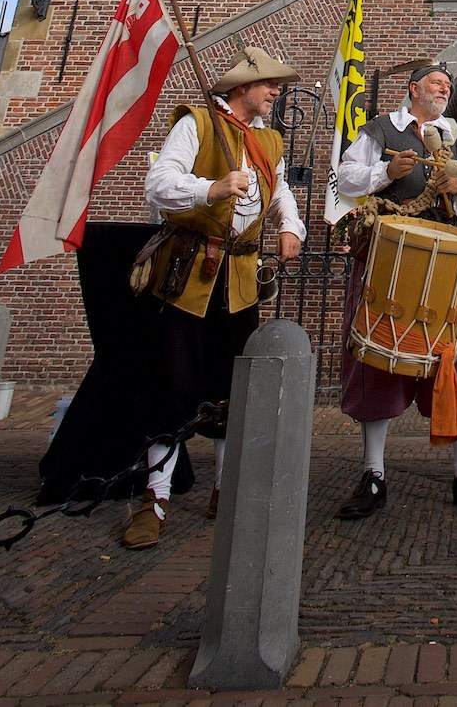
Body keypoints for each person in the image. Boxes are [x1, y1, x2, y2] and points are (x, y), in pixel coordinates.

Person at [121, 46, 304, 549]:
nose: (275, 92)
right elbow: (158, 185)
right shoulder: (197, 124)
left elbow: (280, 187)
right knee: (172, 384)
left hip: (241, 274)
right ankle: (154, 497)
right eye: (269, 84)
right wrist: (211, 188)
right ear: (242, 88)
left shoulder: (268, 140)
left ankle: (225, 488)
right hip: (189, 273)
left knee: (233, 387)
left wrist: (290, 226)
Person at [335, 61, 457, 518]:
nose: (444, 88)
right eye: (435, 83)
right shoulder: (380, 130)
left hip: (446, 260)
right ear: (413, 90)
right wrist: (387, 174)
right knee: (377, 362)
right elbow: (346, 180)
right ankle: (373, 474)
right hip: (389, 258)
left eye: (447, 85)